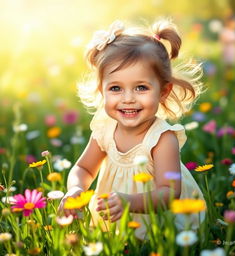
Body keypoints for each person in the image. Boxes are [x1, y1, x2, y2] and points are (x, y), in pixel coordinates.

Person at [59, 19, 205, 239]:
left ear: (163, 91)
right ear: (102, 91)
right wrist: (75, 189)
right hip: (115, 218)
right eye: (116, 88)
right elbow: (85, 169)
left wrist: (129, 201)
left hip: (162, 225)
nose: (128, 99)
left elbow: (169, 192)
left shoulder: (162, 139)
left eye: (141, 87)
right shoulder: (104, 130)